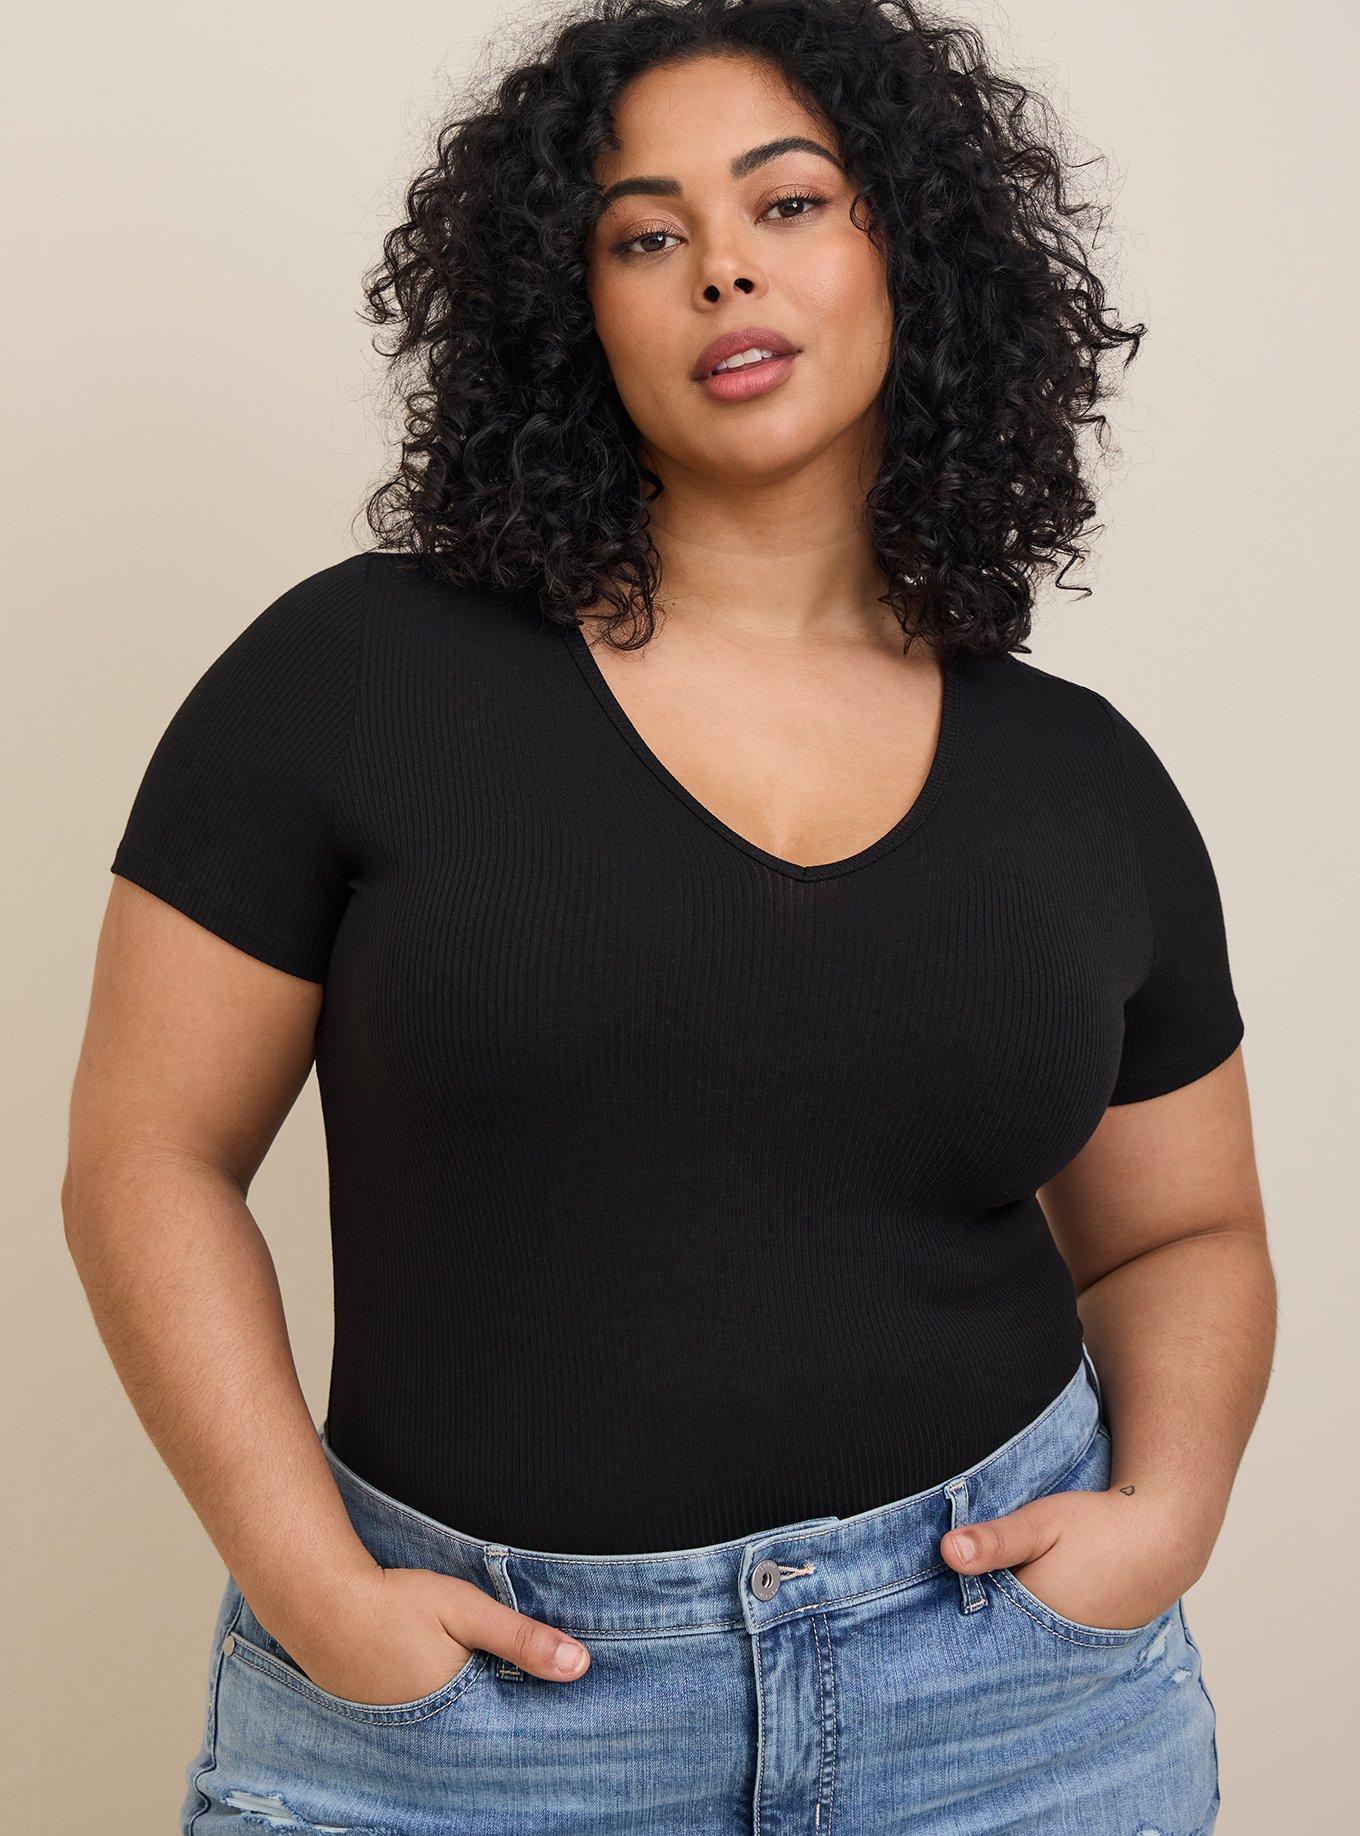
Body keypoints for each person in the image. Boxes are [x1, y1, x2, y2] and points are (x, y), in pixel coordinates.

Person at [65, 2, 1274, 1830]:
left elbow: (1183, 1232)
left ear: (914, 252)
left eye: (788, 203)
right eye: (645, 236)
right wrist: (317, 1592)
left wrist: (1164, 1514)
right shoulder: (351, 676)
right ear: (573, 315)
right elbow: (144, 1160)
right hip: (479, 1727)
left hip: (1010, 1717)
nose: (722, 268)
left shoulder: (1082, 775)